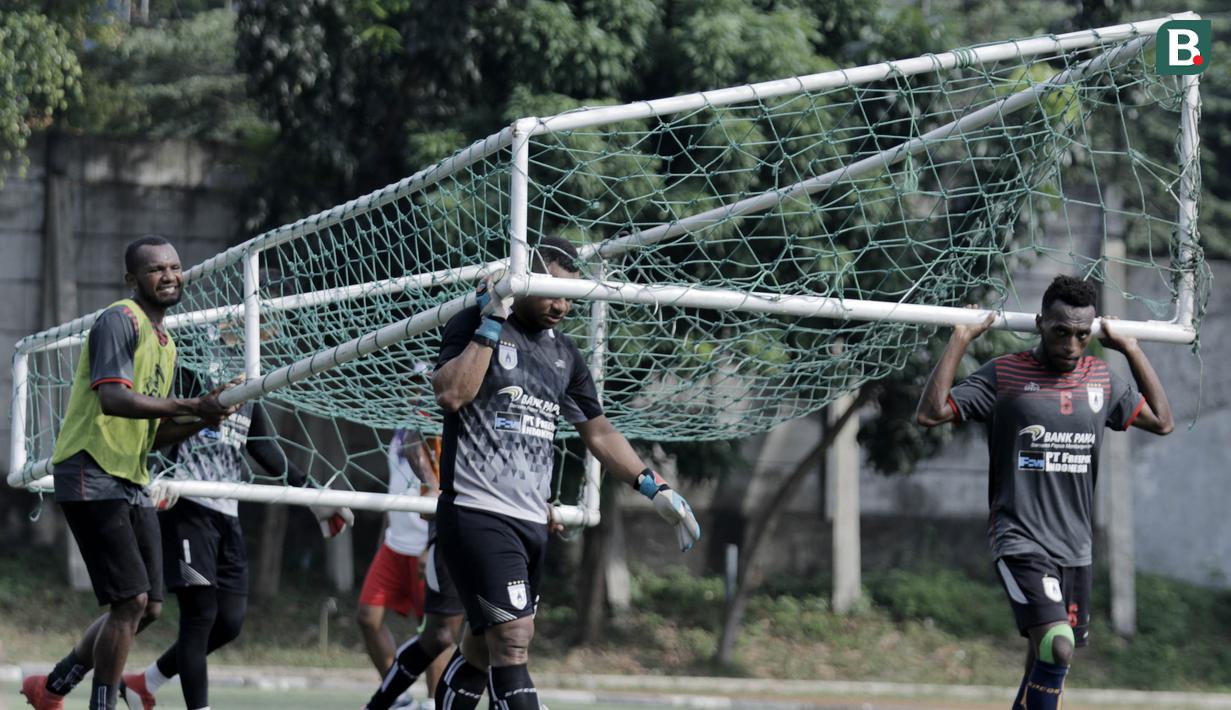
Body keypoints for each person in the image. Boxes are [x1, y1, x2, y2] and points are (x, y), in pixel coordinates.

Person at [429, 235, 702, 710]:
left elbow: (598, 433)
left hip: (532, 522)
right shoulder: (474, 321)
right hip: (476, 512)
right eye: (552, 291)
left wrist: (653, 486)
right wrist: (491, 323)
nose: (561, 305)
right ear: (523, 280)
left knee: (480, 648)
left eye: (571, 296)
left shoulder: (566, 355)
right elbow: (452, 393)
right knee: (513, 639)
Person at [915, 275, 1174, 710]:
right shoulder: (1005, 374)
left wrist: (1131, 348)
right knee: (1058, 645)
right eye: (1061, 331)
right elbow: (931, 413)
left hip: (1075, 548)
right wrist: (960, 338)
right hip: (1019, 538)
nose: (1071, 343)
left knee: (1044, 656)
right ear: (1039, 324)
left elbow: (1162, 421)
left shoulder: (1103, 379)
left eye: (1081, 334)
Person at [21, 236, 236, 710]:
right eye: (156, 269)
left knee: (150, 607)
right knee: (131, 602)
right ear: (132, 279)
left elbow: (155, 434)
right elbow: (114, 400)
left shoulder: (167, 344)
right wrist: (192, 404)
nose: (169, 276)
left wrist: (205, 415)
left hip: (132, 477)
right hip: (90, 472)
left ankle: (52, 687)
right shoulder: (120, 320)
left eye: (175, 267)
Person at [120, 363, 354, 710]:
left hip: (227, 513)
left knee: (229, 622)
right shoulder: (190, 370)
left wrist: (313, 495)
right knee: (198, 616)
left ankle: (146, 682)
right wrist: (157, 473)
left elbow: (263, 448)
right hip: (187, 507)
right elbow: (159, 429)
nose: (267, 328)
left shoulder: (249, 376)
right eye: (260, 319)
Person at [355, 426, 442, 704]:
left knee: (432, 631)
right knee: (368, 618)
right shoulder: (400, 423)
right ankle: (400, 697)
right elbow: (396, 488)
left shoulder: (439, 419)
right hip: (395, 545)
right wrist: (384, 535)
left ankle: (433, 701)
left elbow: (443, 490)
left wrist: (433, 544)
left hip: (425, 544)